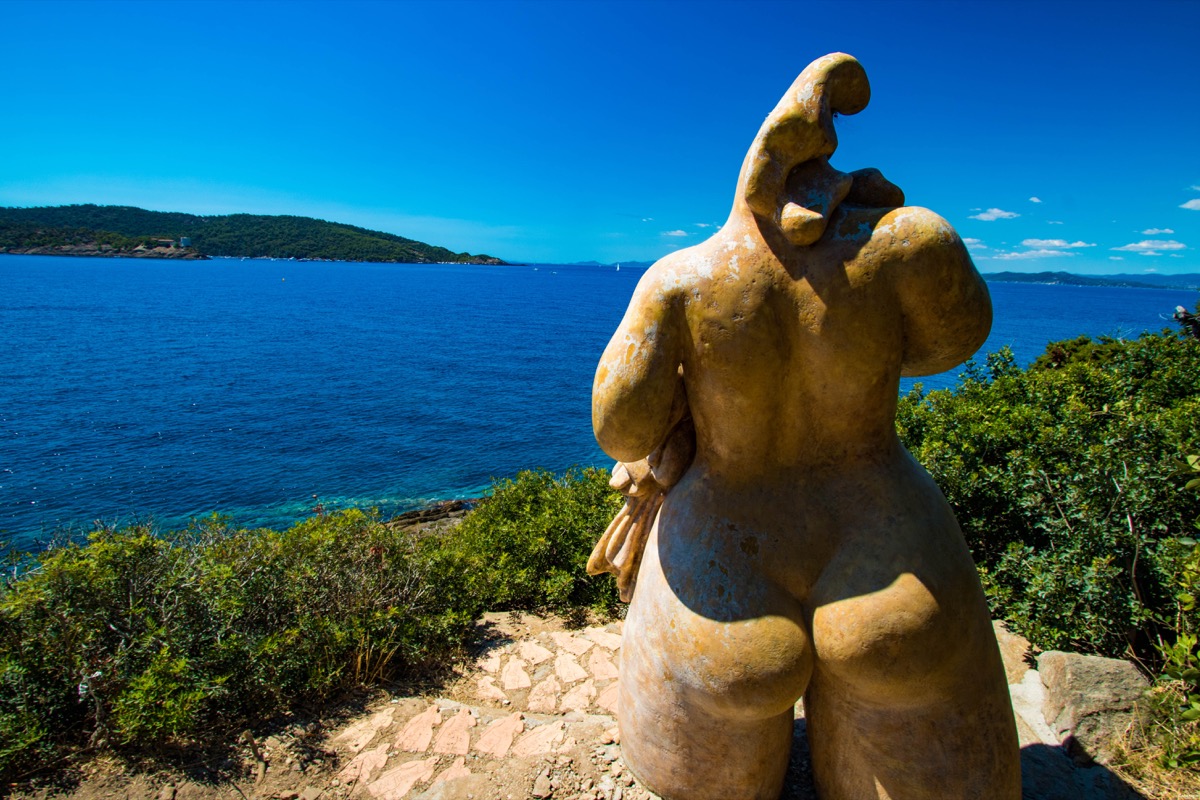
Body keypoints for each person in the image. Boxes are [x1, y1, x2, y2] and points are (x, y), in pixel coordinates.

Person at [590, 53, 1020, 800]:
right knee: (910, 678)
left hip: (724, 531)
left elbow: (621, 428)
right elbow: (957, 338)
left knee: (720, 712)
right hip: (886, 530)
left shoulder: (681, 281)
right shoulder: (906, 244)